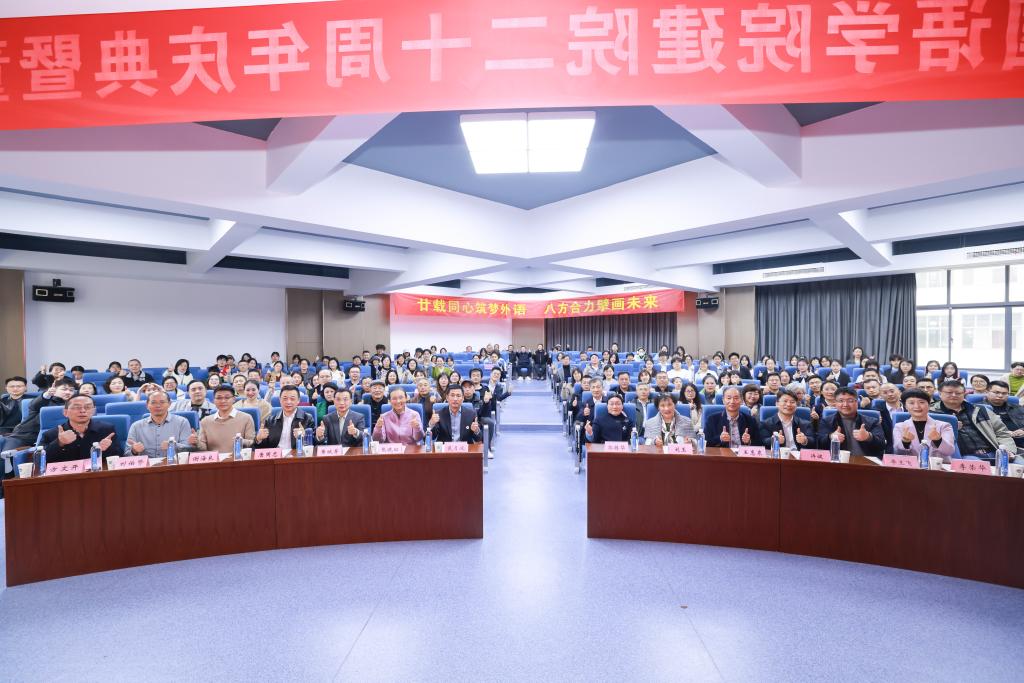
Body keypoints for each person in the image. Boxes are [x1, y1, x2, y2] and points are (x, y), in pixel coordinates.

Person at [932, 380, 1018, 462]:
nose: (954, 395)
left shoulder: (981, 410)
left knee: (1020, 465)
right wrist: (952, 429)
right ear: (940, 394)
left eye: (958, 393)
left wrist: (1008, 450)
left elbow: (1001, 433)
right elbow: (930, 437)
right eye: (949, 392)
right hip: (964, 456)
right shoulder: (932, 413)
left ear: (964, 394)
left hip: (995, 452)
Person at [40, 394, 123, 464]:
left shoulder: (107, 430)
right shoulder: (51, 434)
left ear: (94, 411)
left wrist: (105, 450)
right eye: (77, 407)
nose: (83, 411)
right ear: (65, 412)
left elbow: (120, 457)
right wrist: (59, 443)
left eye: (87, 407)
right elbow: (39, 462)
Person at [815, 387, 886, 459]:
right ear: (835, 403)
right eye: (841, 401)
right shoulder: (826, 421)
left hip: (866, 462)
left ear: (857, 403)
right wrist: (831, 437)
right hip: (837, 462)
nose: (845, 404)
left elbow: (882, 445)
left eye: (850, 401)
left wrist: (868, 437)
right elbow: (819, 444)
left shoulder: (872, 421)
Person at [891, 389, 955, 463]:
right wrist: (905, 442)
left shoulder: (944, 426)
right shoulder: (899, 427)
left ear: (929, 405)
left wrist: (938, 440)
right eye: (911, 403)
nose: (917, 406)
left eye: (921, 402)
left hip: (938, 467)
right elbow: (897, 453)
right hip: (911, 467)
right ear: (905, 406)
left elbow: (949, 451)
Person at [125, 391, 195, 458]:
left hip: (174, 464)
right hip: (146, 465)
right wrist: (134, 451)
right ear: (147, 405)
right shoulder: (136, 426)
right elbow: (126, 454)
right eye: (153, 402)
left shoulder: (182, 422)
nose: (158, 406)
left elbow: (188, 449)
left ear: (169, 404)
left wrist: (175, 446)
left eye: (162, 402)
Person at [254, 386, 314, 454]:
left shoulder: (307, 418)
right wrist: (258, 439)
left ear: (298, 400)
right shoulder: (270, 420)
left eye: (292, 399)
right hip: (276, 456)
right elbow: (263, 448)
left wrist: (305, 436)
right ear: (280, 400)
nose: (288, 402)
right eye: (285, 398)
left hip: (297, 456)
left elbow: (314, 443)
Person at [197, 386, 256, 452]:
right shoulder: (205, 421)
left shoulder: (246, 418)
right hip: (215, 458)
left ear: (234, 399)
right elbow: (203, 448)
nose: (223, 401)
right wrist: (196, 442)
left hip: (237, 457)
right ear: (214, 400)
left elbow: (252, 443)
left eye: (227, 397)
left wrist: (242, 441)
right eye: (219, 398)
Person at [986, 381, 1024, 452]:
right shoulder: (979, 408)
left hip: (1020, 439)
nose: (1000, 395)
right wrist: (1004, 433)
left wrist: (1022, 430)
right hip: (999, 443)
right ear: (987, 392)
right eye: (996, 392)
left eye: (1004, 393)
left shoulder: (1017, 407)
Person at [0, 376, 28, 441]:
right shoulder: (2, 401)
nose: (15, 388)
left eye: (19, 386)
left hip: (24, 429)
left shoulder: (32, 400)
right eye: (12, 386)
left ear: (25, 387)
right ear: (6, 388)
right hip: (4, 429)